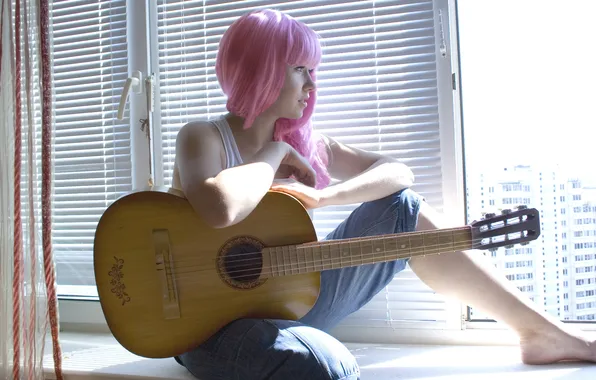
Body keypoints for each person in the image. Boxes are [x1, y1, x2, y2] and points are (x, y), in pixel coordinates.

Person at [171, 8, 595, 380]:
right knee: (327, 367)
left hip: (284, 305)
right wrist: (275, 150)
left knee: (402, 207)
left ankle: (540, 332)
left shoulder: (309, 145)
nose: (312, 85)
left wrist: (324, 197)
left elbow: (398, 172)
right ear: (261, 66)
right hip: (206, 327)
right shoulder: (203, 137)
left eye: (313, 71)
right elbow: (220, 207)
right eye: (300, 69)